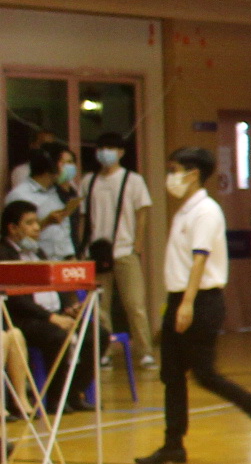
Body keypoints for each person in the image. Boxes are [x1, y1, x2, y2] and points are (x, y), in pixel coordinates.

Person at [134, 147, 251, 463]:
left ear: (193, 173)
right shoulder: (184, 211)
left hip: (200, 300)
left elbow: (199, 260)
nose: (170, 177)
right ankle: (173, 444)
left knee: (205, 374)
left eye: (174, 170)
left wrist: (187, 304)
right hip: (179, 298)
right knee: (172, 374)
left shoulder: (206, 211)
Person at [79, 136, 153, 365]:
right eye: (101, 148)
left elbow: (142, 213)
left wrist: (137, 245)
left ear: (121, 152)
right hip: (97, 251)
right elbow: (83, 217)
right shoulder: (88, 181)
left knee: (135, 304)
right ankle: (105, 351)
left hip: (124, 250)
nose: (104, 152)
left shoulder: (133, 180)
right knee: (100, 306)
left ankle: (145, 351)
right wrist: (83, 247)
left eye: (110, 148)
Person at [3, 197, 83, 401]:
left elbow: (55, 284)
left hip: (53, 314)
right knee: (57, 336)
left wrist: (68, 307)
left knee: (94, 334)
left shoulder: (38, 251)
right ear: (12, 228)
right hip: (27, 319)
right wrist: (51, 318)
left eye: (37, 222)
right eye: (29, 223)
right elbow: (16, 300)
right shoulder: (5, 256)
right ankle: (57, 400)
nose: (37, 228)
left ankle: (74, 394)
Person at [4, 141, 76, 262]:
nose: (68, 168)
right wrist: (46, 222)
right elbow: (14, 236)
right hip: (36, 261)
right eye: (64, 163)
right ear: (50, 166)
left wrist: (70, 256)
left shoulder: (55, 192)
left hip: (62, 262)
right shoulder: (20, 195)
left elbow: (63, 229)